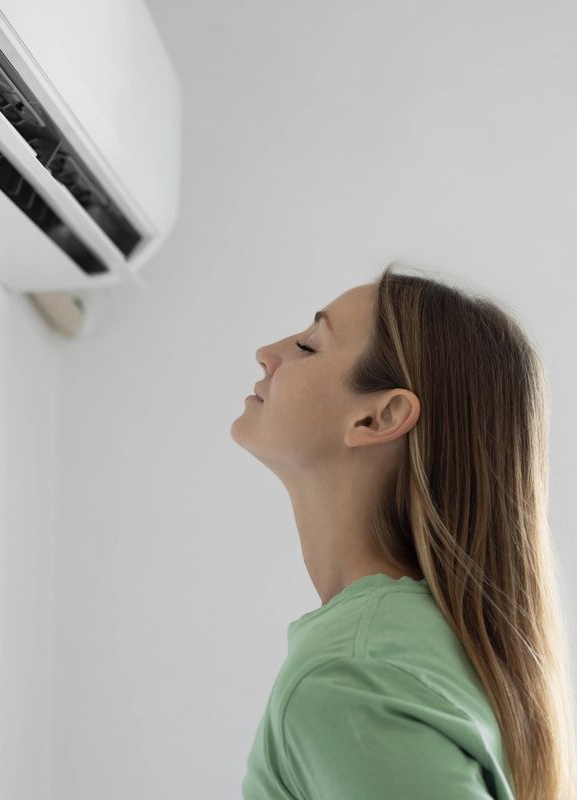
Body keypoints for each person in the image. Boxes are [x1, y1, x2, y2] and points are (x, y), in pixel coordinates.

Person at [230, 262, 577, 800]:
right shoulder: (423, 647)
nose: (267, 352)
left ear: (379, 417)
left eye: (307, 347)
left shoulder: (353, 677)